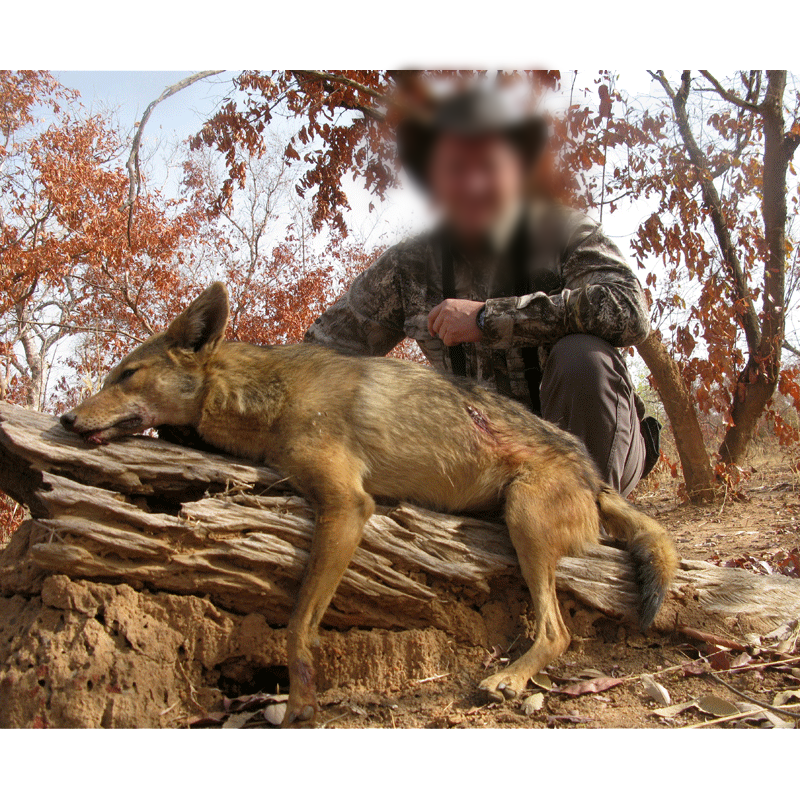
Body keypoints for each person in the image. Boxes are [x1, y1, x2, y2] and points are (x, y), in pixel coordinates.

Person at [305, 87, 659, 497]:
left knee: (583, 359)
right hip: (493, 456)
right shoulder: (410, 264)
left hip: (592, 446)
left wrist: (488, 319)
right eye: (456, 168)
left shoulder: (563, 230)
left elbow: (629, 308)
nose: (473, 183)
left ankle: (592, 522)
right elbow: (322, 350)